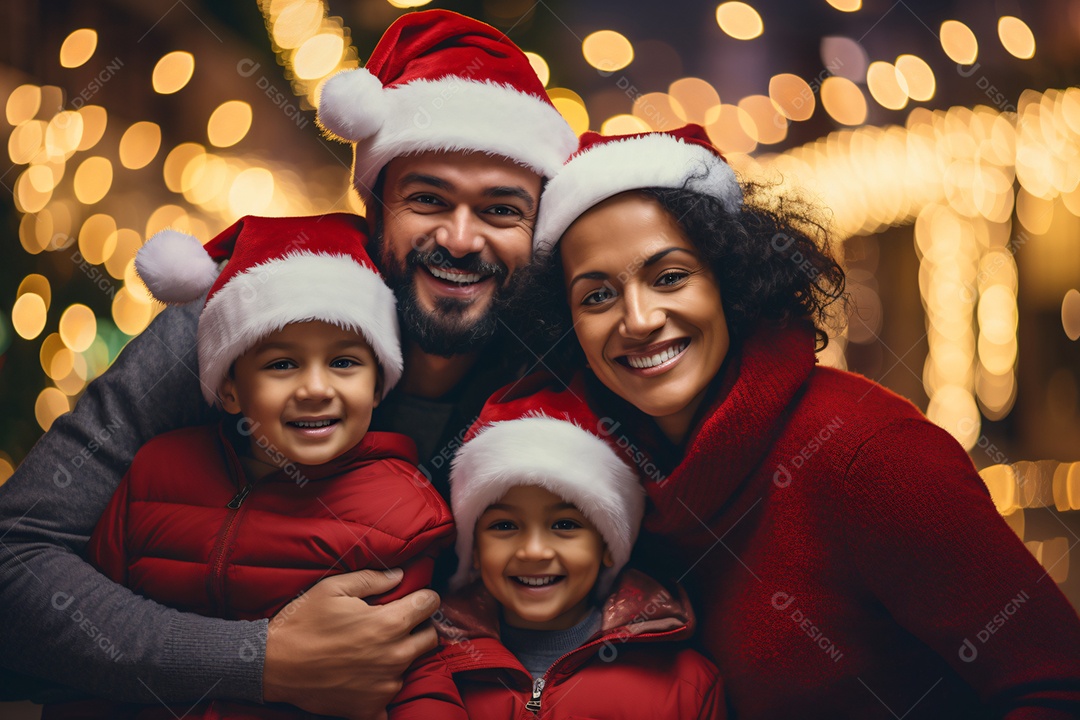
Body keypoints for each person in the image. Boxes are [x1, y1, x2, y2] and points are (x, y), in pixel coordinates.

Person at [0, 10, 576, 720]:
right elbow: (15, 560)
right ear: (374, 208)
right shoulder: (246, 317)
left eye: (500, 211)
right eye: (427, 199)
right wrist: (260, 661)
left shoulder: (558, 383)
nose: (460, 239)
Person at [511, 124, 1080, 718]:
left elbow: (1056, 685)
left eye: (670, 277)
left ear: (730, 280)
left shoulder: (872, 454)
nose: (639, 318)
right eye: (596, 296)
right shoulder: (600, 484)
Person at [44, 214, 454, 720]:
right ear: (231, 389)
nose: (315, 388)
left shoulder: (403, 508)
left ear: (377, 386)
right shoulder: (157, 470)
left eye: (344, 362)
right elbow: (89, 637)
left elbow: (414, 674)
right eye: (282, 364)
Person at [388, 379, 725, 719]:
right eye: (504, 526)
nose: (534, 552)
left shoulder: (685, 684)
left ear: (607, 545)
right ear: (474, 548)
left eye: (565, 525)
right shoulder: (419, 669)